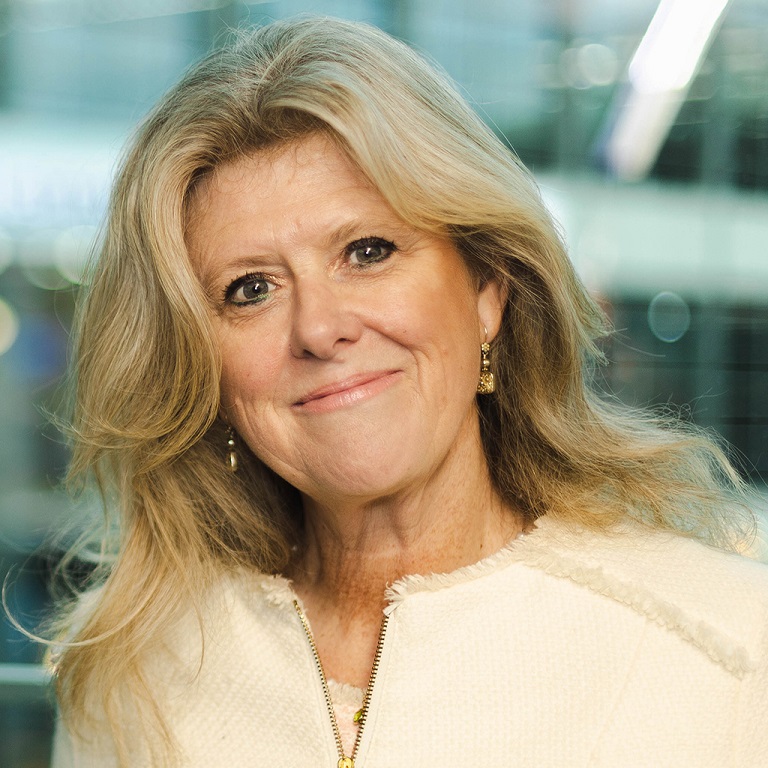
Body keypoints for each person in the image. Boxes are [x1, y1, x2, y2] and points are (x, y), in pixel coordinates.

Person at [49, 16, 768, 768]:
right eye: (250, 289)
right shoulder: (125, 671)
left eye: (368, 252)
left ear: (487, 289)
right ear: (201, 367)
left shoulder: (727, 648)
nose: (319, 329)